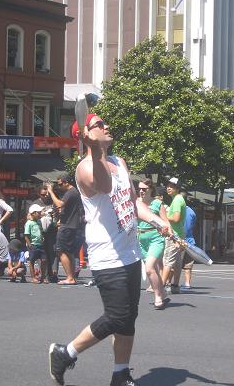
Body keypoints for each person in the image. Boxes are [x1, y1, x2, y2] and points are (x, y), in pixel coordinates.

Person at [48, 113, 170, 386]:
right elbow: (103, 186)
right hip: (107, 256)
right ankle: (64, 353)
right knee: (117, 316)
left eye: (105, 123)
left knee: (129, 319)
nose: (107, 127)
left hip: (130, 253)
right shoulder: (84, 168)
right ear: (87, 134)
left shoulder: (119, 162)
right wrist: (93, 149)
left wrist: (156, 219)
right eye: (99, 125)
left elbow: (132, 203)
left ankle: (120, 373)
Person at [137, 179, 171, 309]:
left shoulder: (157, 203)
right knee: (154, 270)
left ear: (151, 189)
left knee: (149, 268)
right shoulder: (136, 203)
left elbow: (166, 222)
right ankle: (163, 293)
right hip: (141, 239)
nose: (141, 191)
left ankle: (158, 296)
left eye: (144, 189)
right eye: (139, 188)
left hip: (156, 239)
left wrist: (171, 234)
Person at [46, 173, 83, 285]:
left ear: (66, 182)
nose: (59, 186)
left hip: (67, 226)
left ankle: (70, 277)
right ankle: (71, 277)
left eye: (60, 184)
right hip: (70, 225)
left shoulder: (71, 192)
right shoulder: (73, 192)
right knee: (68, 251)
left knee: (60, 250)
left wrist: (51, 192)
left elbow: (59, 204)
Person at [161, 177, 187, 294]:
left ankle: (160, 288)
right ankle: (175, 285)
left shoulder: (177, 200)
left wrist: (164, 216)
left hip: (174, 236)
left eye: (172, 186)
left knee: (167, 262)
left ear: (177, 188)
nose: (168, 188)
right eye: (168, 186)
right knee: (177, 263)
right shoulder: (178, 199)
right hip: (180, 235)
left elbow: (176, 218)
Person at [33, 186, 59, 283]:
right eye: (43, 195)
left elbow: (58, 215)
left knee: (53, 252)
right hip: (40, 232)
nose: (45, 196)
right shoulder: (35, 203)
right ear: (39, 194)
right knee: (42, 254)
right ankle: (43, 274)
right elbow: (29, 217)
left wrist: (55, 215)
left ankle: (53, 273)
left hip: (52, 231)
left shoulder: (53, 202)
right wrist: (41, 214)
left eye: (47, 194)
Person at [24, 203, 48, 284]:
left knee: (44, 260)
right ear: (33, 213)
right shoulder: (29, 223)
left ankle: (43, 276)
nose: (40, 214)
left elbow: (40, 231)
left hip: (40, 244)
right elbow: (26, 235)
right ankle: (33, 277)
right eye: (38, 212)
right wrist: (29, 244)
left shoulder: (39, 222)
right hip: (33, 245)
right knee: (32, 261)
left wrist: (42, 237)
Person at [180, 205, 197, 291]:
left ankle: (170, 283)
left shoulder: (176, 210)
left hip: (179, 240)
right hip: (190, 242)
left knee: (174, 265)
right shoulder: (192, 212)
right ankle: (187, 284)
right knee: (188, 265)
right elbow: (193, 225)